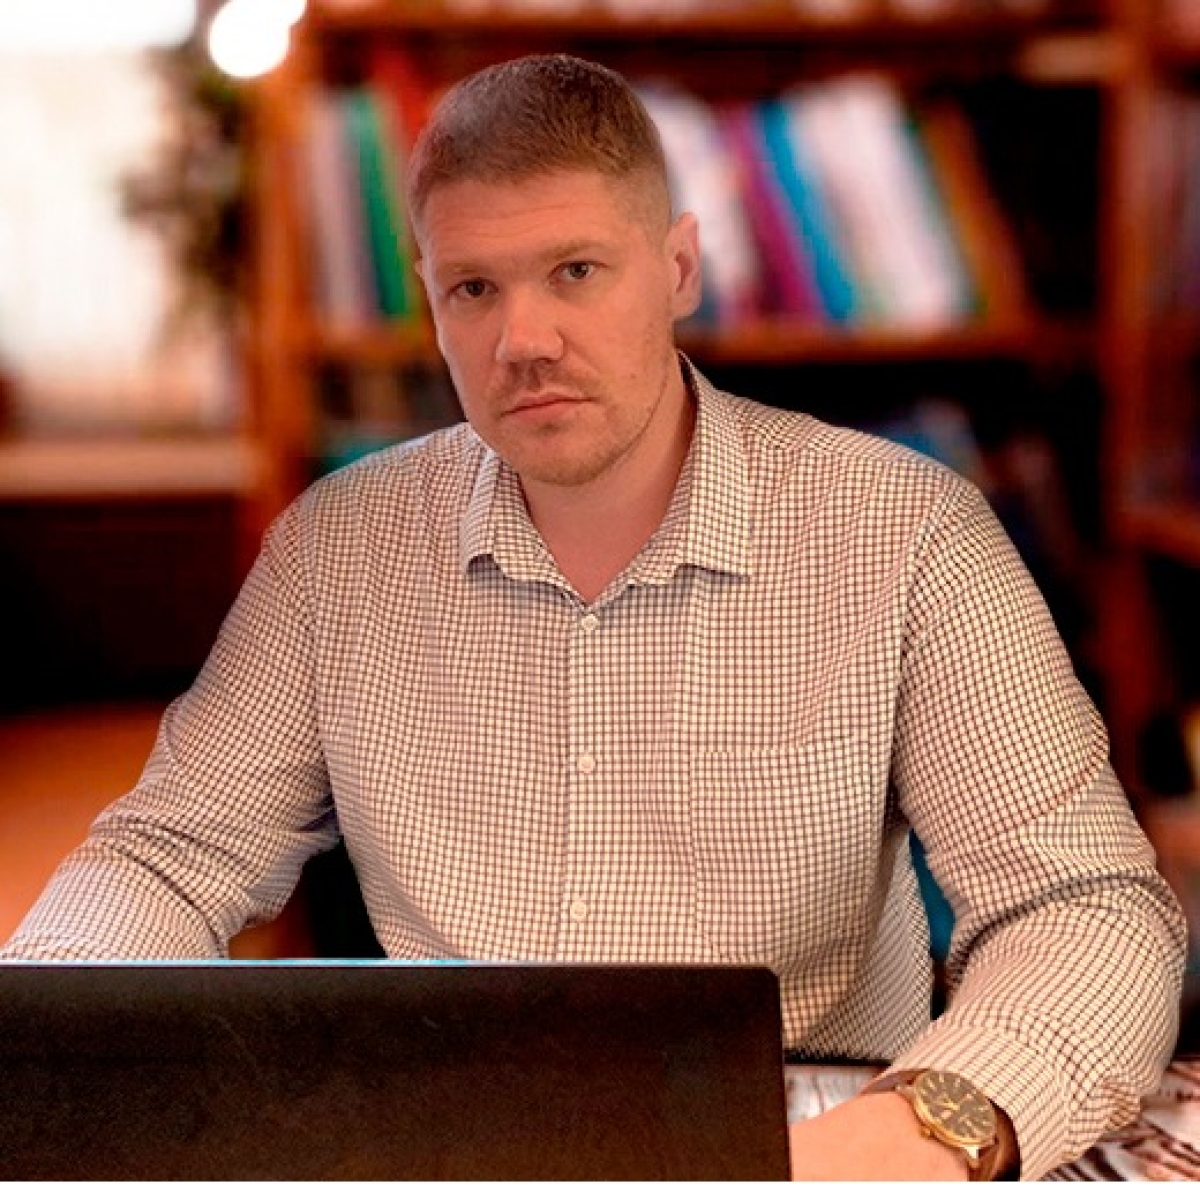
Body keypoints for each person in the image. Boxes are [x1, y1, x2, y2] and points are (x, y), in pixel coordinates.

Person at [0, 54, 1186, 1181]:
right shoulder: (335, 550)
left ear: (679, 268)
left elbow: (1083, 908)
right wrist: (34, 1055)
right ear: (429, 299)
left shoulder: (909, 531)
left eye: (575, 271)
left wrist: (905, 1143)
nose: (524, 341)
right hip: (451, 1149)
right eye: (474, 288)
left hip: (816, 1136)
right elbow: (172, 856)